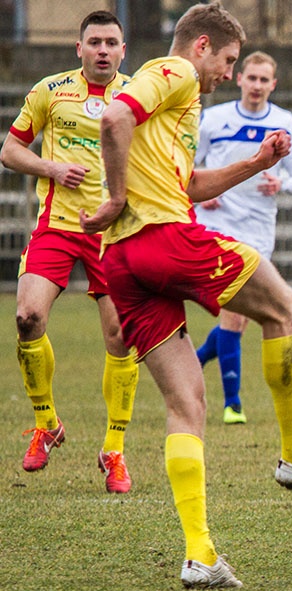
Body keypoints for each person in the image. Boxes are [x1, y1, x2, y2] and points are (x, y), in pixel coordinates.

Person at [78, 2, 292, 589]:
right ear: (201, 47)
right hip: (162, 238)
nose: (227, 73)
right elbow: (112, 120)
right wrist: (118, 195)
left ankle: (200, 555)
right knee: (284, 306)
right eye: (226, 61)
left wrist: (257, 162)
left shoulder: (183, 107)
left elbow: (190, 185)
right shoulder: (172, 73)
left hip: (124, 261)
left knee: (187, 406)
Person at [0, 10, 139, 494]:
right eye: (94, 41)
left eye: (111, 42)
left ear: (124, 50)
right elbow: (9, 150)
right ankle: (46, 424)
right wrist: (51, 168)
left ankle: (114, 451)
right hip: (57, 225)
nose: (103, 49)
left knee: (121, 337)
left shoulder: (140, 94)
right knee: (26, 319)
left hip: (114, 231)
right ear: (78, 49)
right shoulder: (49, 90)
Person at [194, 50, 292, 425]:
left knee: (240, 318)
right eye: (252, 78)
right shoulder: (213, 118)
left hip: (259, 228)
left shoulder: (284, 122)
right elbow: (187, 163)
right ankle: (233, 404)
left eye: (265, 80)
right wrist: (202, 190)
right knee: (233, 313)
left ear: (273, 85)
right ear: (240, 78)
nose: (257, 86)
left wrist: (283, 183)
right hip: (217, 224)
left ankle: (196, 360)